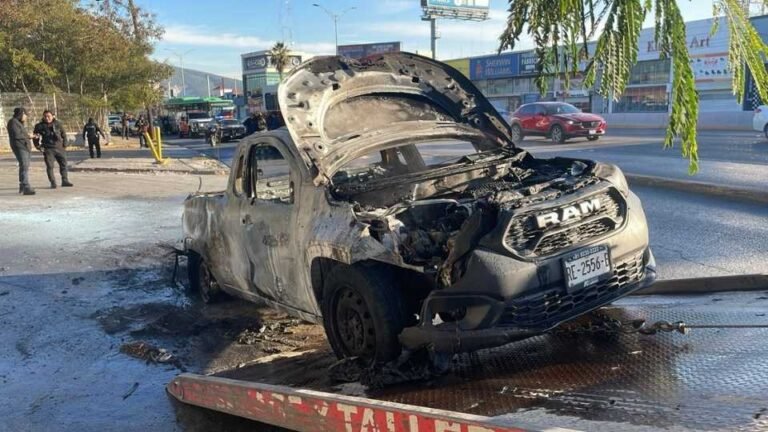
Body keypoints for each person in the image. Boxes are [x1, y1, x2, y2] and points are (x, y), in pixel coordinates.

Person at [33, 110, 73, 189]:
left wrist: (65, 144)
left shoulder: (58, 124)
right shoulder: (39, 126)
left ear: (53, 116)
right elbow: (35, 137)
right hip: (48, 149)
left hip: (59, 148)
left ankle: (65, 180)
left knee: (64, 164)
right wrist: (38, 146)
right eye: (45, 116)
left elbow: (64, 134)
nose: (47, 118)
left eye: (49, 116)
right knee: (50, 166)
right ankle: (53, 182)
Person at [6, 107, 36, 195]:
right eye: (25, 115)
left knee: (24, 166)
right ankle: (26, 186)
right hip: (20, 147)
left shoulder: (18, 123)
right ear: (21, 114)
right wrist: (28, 136)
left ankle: (22, 186)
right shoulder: (13, 122)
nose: (26, 117)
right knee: (24, 166)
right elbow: (16, 135)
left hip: (24, 147)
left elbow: (21, 134)